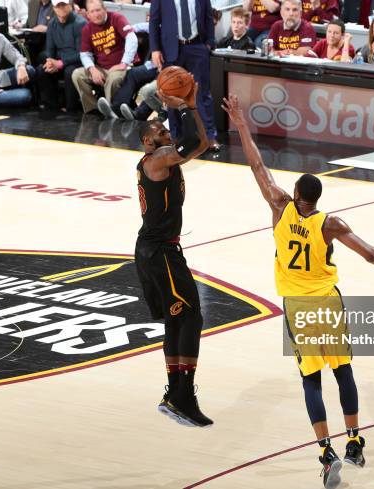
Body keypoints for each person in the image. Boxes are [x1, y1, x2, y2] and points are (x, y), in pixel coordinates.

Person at [222, 93, 374, 489]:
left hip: (297, 307)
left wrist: (241, 122)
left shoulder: (279, 206)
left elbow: (256, 163)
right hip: (328, 302)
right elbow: (370, 254)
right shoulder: (330, 223)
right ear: (318, 199)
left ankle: (325, 453)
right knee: (343, 370)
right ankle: (355, 442)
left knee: (310, 380)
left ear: (295, 194)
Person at [135, 77, 212, 427]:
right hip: (159, 252)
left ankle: (175, 393)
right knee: (191, 316)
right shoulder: (157, 159)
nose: (169, 137)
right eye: (163, 134)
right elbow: (194, 142)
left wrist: (180, 107)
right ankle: (183, 393)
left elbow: (201, 143)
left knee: (178, 317)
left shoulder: (163, 159)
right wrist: (186, 106)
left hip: (157, 250)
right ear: (148, 142)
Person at [149, 0, 221, 151]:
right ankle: (177, 138)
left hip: (197, 46)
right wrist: (155, 49)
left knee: (202, 93)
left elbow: (208, 17)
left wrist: (208, 43)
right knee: (171, 94)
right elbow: (154, 21)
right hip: (171, 49)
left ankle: (209, 137)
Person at [72, 0, 138, 113]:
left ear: (105, 9)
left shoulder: (117, 18)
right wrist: (92, 69)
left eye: (98, 10)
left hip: (120, 66)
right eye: (92, 11)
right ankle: (93, 110)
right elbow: (84, 54)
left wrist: (124, 63)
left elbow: (132, 38)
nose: (96, 14)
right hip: (101, 67)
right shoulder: (87, 29)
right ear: (88, 15)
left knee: (113, 79)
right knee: (77, 75)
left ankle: (111, 111)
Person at [97, 22, 160, 119]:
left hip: (169, 68)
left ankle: (138, 115)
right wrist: (127, 31)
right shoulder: (159, 26)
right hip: (153, 65)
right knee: (132, 73)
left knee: (157, 85)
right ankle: (117, 110)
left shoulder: (176, 30)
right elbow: (142, 26)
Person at [35, 0, 86, 112]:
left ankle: (71, 108)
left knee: (69, 71)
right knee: (41, 69)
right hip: (59, 60)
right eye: (58, 5)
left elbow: (82, 53)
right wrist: (50, 62)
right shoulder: (52, 24)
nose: (61, 8)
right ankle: (51, 107)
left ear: (70, 6)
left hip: (76, 61)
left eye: (64, 4)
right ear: (54, 8)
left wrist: (60, 63)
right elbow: (49, 50)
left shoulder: (80, 23)